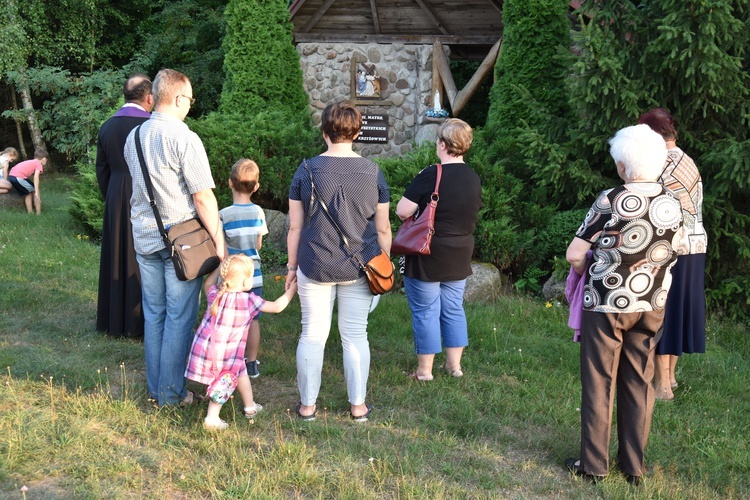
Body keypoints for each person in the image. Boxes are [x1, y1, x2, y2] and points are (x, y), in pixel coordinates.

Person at [564, 124, 683, 485]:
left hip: (607, 303)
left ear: (622, 165)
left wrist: (590, 264)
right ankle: (634, 467)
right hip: (652, 302)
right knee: (639, 380)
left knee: (600, 380)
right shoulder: (672, 203)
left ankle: (594, 466)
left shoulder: (611, 199)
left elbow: (574, 253)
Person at [124, 68, 226, 407]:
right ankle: (171, 394)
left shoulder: (133, 136)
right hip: (181, 242)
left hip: (143, 236)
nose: (190, 106)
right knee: (180, 315)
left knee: (154, 314)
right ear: (179, 98)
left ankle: (157, 389)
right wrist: (220, 242)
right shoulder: (184, 137)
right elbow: (203, 198)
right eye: (191, 99)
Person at [286, 101, 391, 422]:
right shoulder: (374, 172)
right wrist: (383, 262)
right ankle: (358, 407)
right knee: (356, 336)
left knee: (312, 336)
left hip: (314, 265)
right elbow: (384, 228)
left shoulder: (305, 170)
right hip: (361, 266)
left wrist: (291, 269)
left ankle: (307, 407)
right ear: (357, 133)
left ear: (324, 132)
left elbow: (294, 227)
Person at [395, 118, 481, 381]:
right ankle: (454, 368)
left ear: (442, 144)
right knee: (454, 308)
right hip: (460, 250)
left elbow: (402, 211)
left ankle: (424, 371)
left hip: (428, 251)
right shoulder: (474, 177)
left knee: (426, 310)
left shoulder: (432, 173)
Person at [638, 108, 707, 401]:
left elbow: (654, 205)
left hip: (672, 246)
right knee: (679, 309)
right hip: (695, 244)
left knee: (662, 309)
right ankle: (672, 376)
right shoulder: (687, 160)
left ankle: (662, 385)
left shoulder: (661, 162)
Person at [186, 255, 297, 430]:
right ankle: (211, 419)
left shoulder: (215, 295)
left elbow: (207, 284)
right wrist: (292, 290)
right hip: (225, 355)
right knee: (224, 382)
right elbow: (277, 307)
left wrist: (220, 266)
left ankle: (250, 407)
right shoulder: (248, 300)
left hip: (207, 349)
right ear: (245, 280)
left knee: (241, 371)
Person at [95, 74, 154, 338]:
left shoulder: (107, 126)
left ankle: (112, 321)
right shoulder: (151, 125)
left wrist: (112, 195)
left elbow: (101, 169)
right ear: (148, 96)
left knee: (116, 255)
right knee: (143, 255)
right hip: (146, 193)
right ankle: (138, 322)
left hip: (116, 192)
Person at [219, 159, 269, 378]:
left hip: (231, 276)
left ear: (230, 183)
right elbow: (258, 245)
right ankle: (251, 362)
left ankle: (230, 357)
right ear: (256, 187)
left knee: (229, 318)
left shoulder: (223, 214)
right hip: (254, 276)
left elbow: (220, 247)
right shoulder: (258, 212)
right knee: (253, 319)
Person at [0, 148, 48, 214]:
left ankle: (30, 212)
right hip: (18, 177)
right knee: (34, 191)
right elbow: (36, 177)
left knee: (28, 192)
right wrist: (37, 192)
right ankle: (38, 213)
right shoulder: (38, 164)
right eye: (46, 159)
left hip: (12, 176)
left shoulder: (31, 161)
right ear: (44, 159)